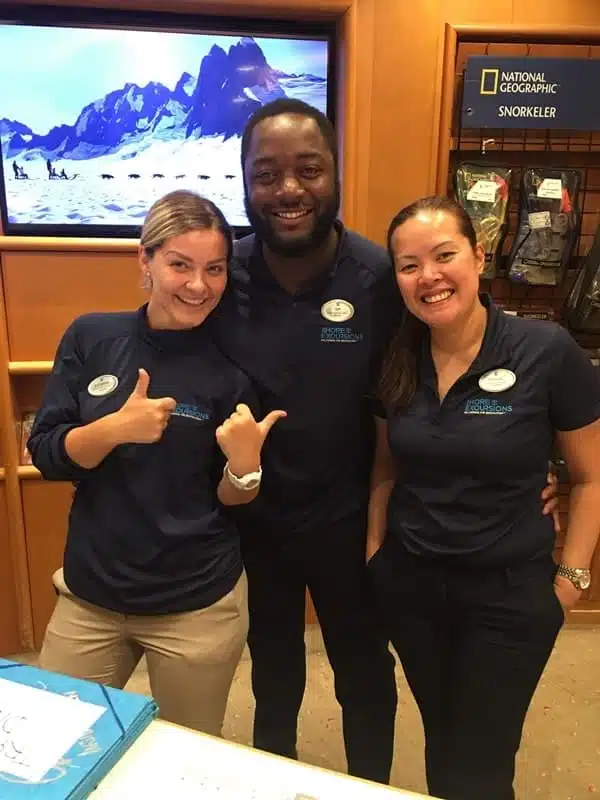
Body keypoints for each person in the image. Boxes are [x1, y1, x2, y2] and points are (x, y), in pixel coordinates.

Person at [210, 98, 560, 784]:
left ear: (335, 174)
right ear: (245, 182)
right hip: (251, 522)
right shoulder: (223, 275)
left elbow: (439, 384)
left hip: (352, 522)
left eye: (308, 169)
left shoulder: (379, 279)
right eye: (267, 173)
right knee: (273, 676)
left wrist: (530, 467)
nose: (288, 190)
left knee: (364, 675)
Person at [366, 195, 600, 800]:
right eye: (409, 265)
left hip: (508, 597)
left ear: (478, 253)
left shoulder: (546, 352)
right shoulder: (398, 354)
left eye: (444, 256)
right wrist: (376, 556)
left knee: (483, 760)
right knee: (444, 740)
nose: (430, 277)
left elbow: (592, 477)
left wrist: (572, 576)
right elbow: (388, 464)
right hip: (412, 588)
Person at [28, 190, 285, 736]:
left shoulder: (236, 365)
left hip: (195, 606)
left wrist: (245, 467)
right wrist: (111, 430)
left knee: (186, 761)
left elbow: (234, 498)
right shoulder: (92, 336)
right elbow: (47, 453)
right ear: (144, 261)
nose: (198, 286)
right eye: (180, 265)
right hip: (90, 596)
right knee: (52, 744)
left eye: (214, 269)